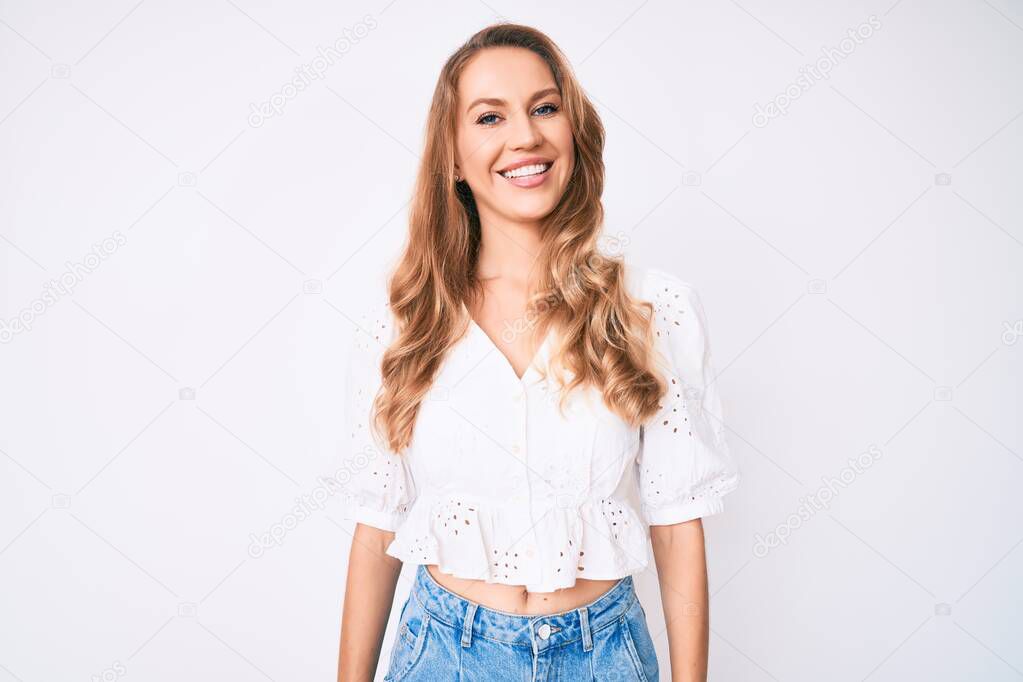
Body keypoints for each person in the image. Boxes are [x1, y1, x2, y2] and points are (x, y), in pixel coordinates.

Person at [337, 22, 740, 682]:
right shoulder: (402, 323)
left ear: (573, 132)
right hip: (443, 654)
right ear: (453, 155)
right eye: (489, 116)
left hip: (605, 654)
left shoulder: (653, 308)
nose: (524, 135)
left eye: (544, 108)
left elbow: (676, 522)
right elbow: (377, 525)